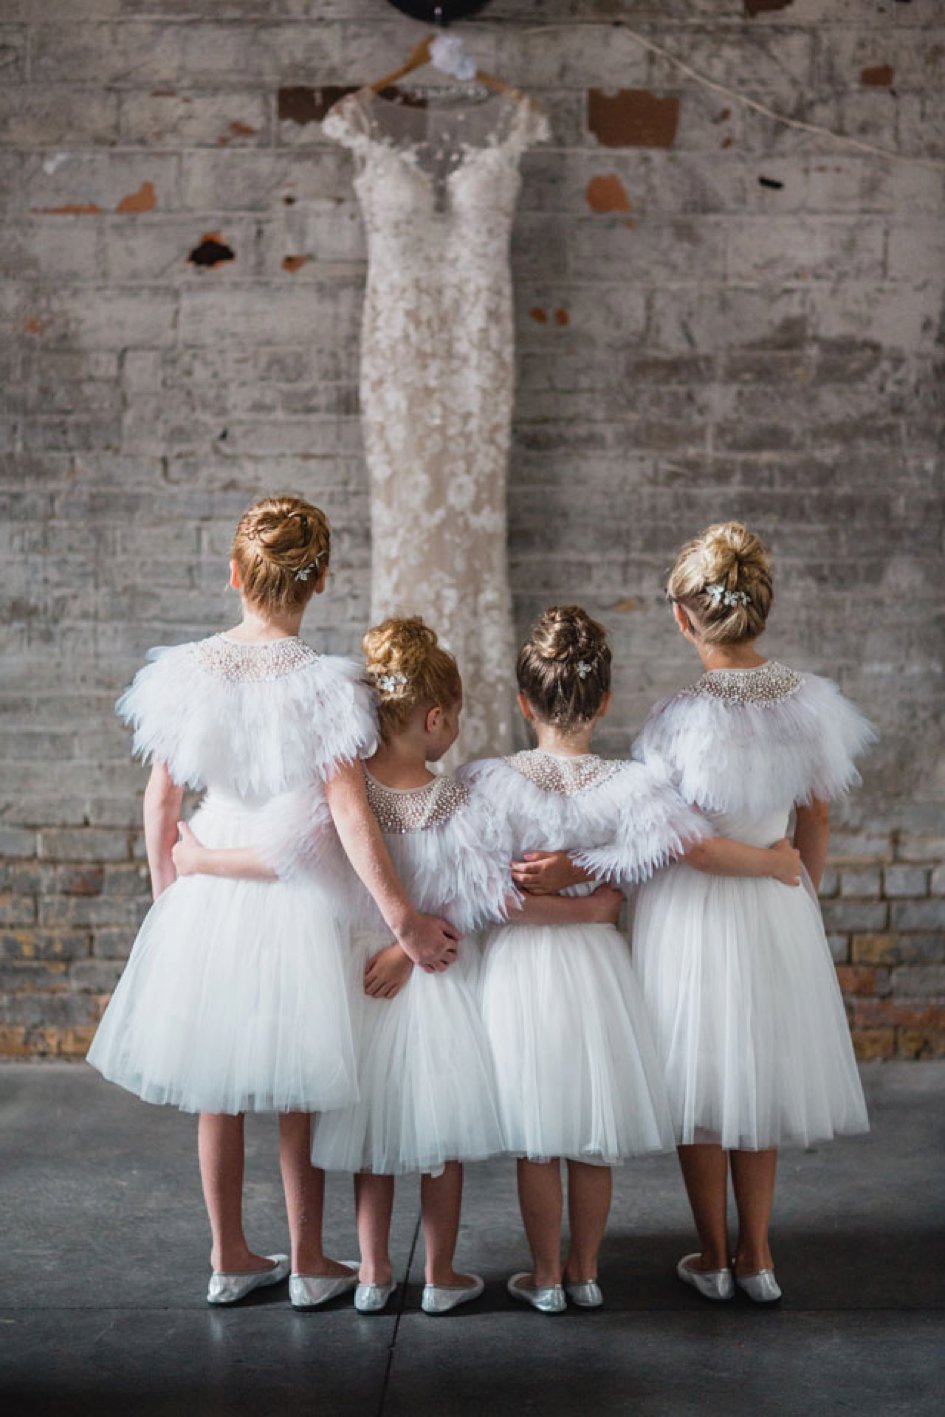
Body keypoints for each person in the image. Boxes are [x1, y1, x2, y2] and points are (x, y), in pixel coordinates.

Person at [176, 616, 624, 1314]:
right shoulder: (458, 797)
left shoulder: (346, 794)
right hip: (435, 974)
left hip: (366, 978)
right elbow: (478, 896)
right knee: (438, 1136)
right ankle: (441, 1275)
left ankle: (376, 1272)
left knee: (370, 1132)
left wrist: (200, 857)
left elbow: (280, 857)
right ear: (435, 716)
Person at [87, 497, 458, 1310]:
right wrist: (403, 918)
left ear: (232, 574)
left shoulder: (184, 675)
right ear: (319, 579)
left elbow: (160, 806)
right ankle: (311, 1261)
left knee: (217, 1087)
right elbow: (350, 816)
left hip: (208, 887)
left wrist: (168, 904)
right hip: (292, 898)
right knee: (296, 1083)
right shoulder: (326, 687)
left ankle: (228, 1256)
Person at [461, 605, 803, 1312]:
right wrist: (774, 860)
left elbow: (486, 893)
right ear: (605, 701)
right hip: (595, 972)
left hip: (521, 971)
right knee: (591, 1132)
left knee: (536, 1135)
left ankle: (546, 1276)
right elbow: (675, 853)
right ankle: (585, 1272)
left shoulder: (488, 782)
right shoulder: (632, 786)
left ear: (524, 701)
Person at [576, 523, 874, 1303]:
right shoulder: (810, 704)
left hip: (695, 917)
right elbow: (814, 820)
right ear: (758, 610)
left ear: (684, 618)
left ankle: (711, 1255)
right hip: (774, 908)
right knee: (759, 1075)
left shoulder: (677, 719)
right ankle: (758, 1254)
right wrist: (794, 887)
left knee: (705, 1081)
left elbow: (684, 847)